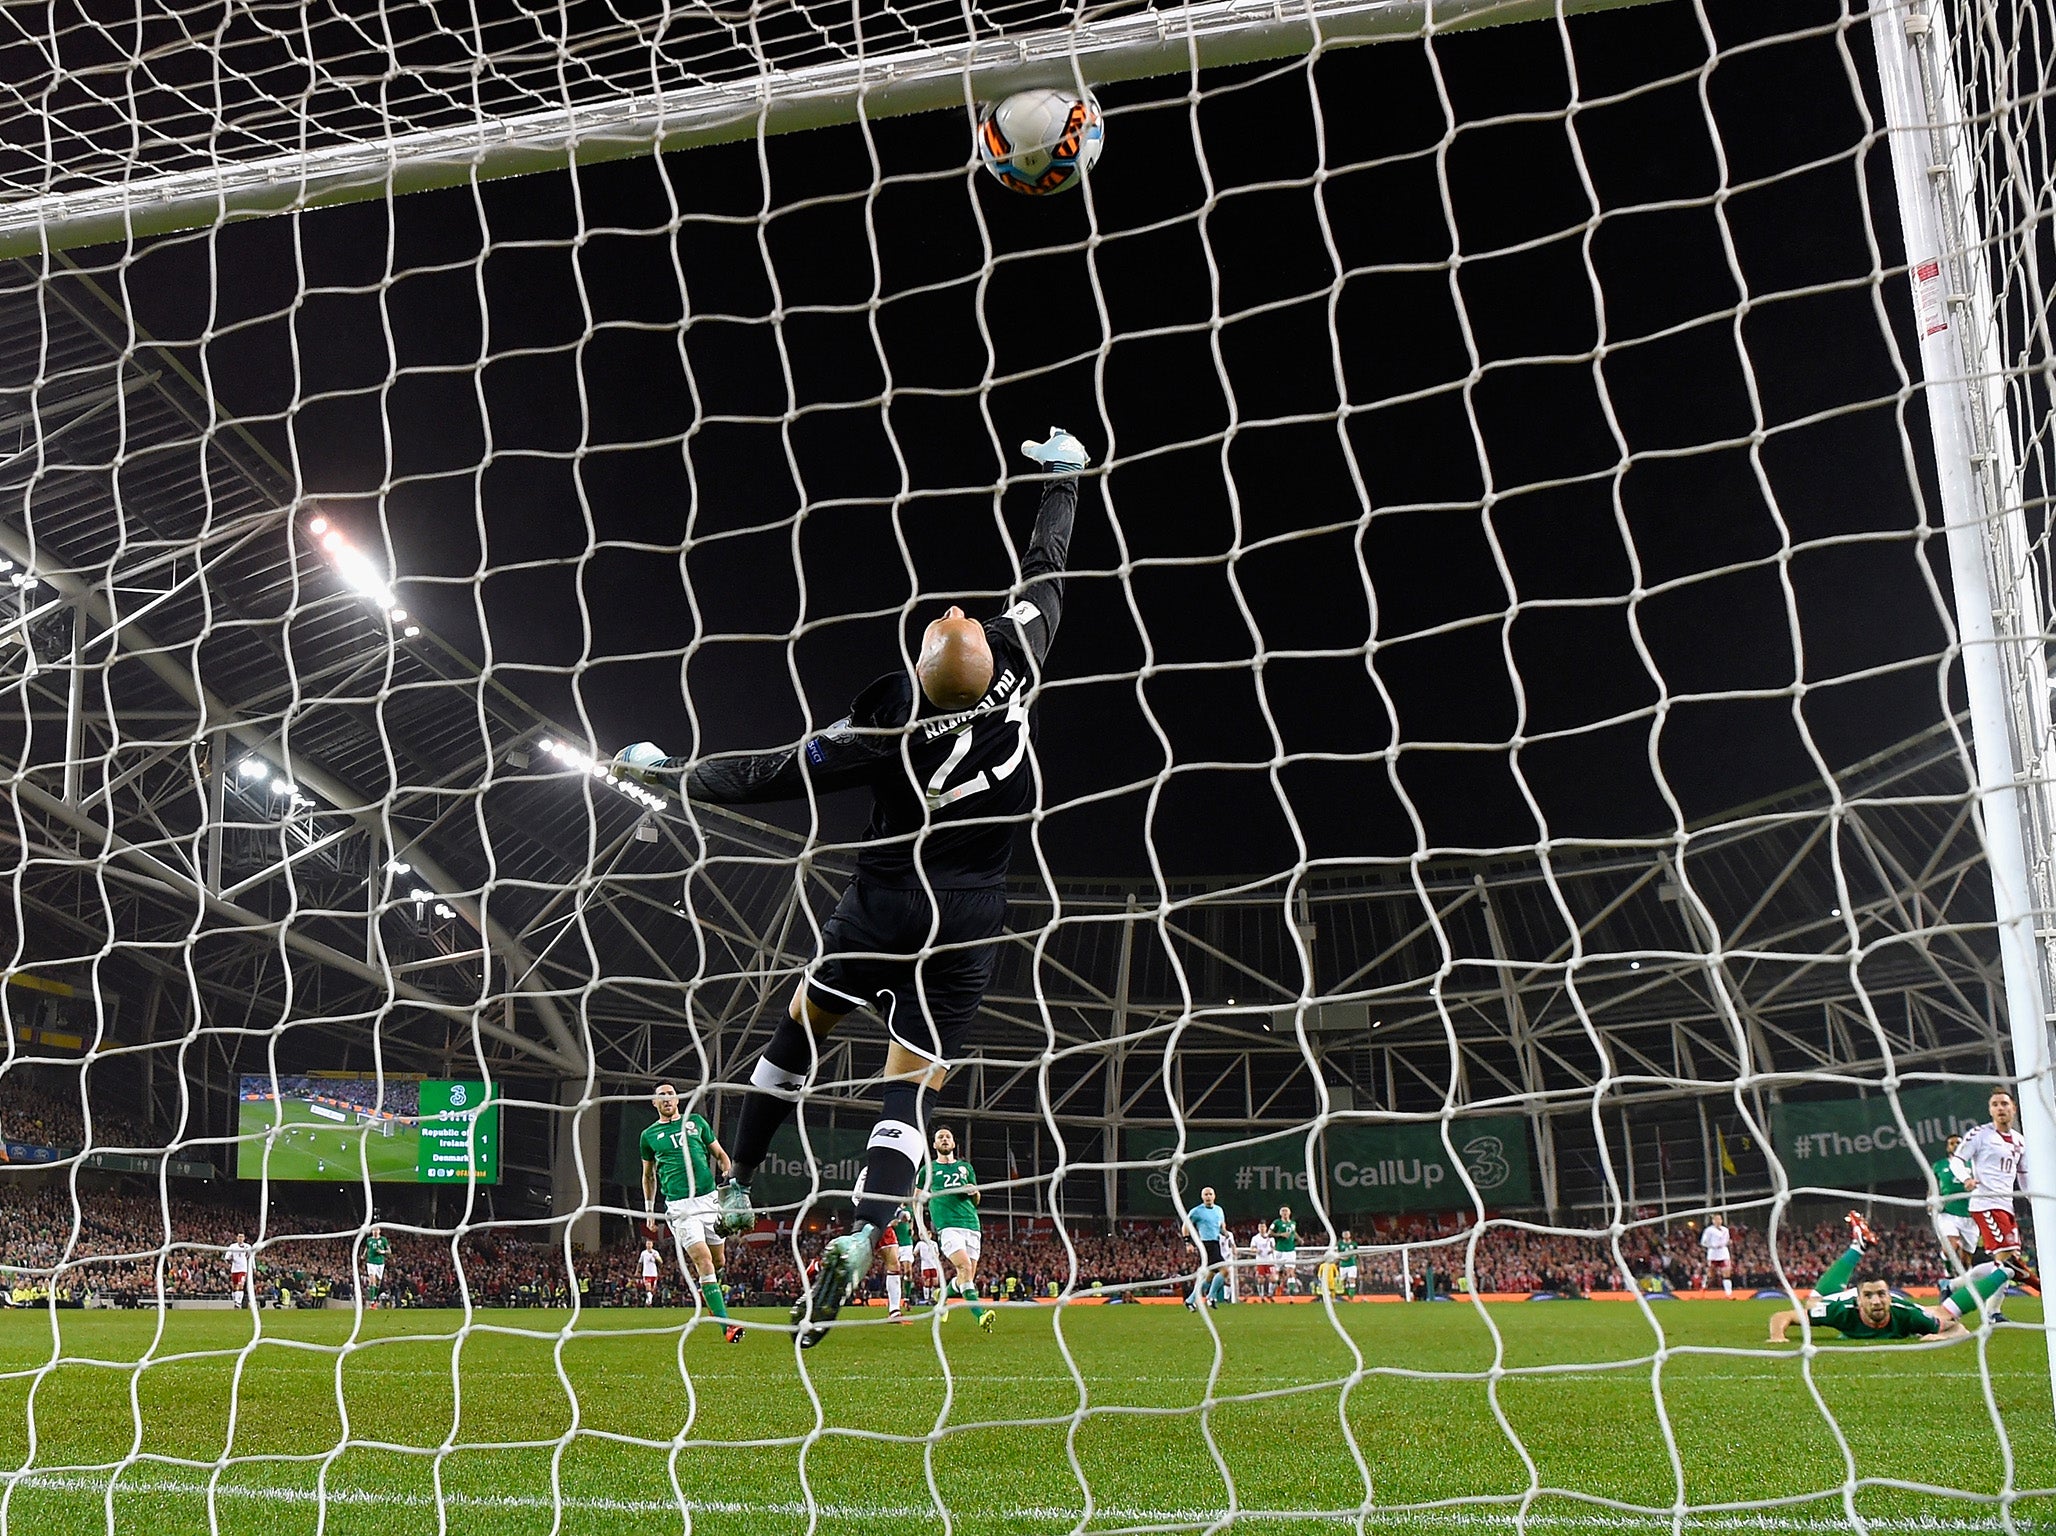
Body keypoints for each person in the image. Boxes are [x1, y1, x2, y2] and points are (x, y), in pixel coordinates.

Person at [614, 426, 1090, 1345]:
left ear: (920, 671)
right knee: (911, 1088)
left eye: (945, 625)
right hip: (967, 920)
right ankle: (867, 1233)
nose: (956, 613)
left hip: (882, 901)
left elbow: (770, 775)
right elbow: (1047, 572)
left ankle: (741, 1180)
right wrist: (1065, 480)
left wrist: (667, 772)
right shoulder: (1019, 660)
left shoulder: (885, 729)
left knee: (803, 1021)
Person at [1767, 1212, 2010, 1342]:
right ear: (1860, 1300)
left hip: (1903, 1308)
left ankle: (2005, 1270)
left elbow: (1959, 1329)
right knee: (1813, 1305)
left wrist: (1938, 1336)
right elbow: (1783, 1315)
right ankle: (1858, 1246)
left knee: (1941, 1314)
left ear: (1888, 1297)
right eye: (1870, 1297)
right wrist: (1778, 1337)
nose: (1876, 1301)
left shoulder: (1903, 1312)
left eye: (1881, 1295)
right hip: (1847, 1300)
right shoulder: (1841, 1312)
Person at [639, 1082, 742, 1344]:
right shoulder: (648, 1136)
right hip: (680, 1207)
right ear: (654, 1102)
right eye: (660, 1095)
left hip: (709, 1201)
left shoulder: (696, 1122)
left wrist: (727, 1174)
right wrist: (650, 1210)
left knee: (719, 1262)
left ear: (678, 1099)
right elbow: (648, 1176)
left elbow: (720, 1154)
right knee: (703, 1259)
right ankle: (726, 1326)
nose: (666, 1099)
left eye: (670, 1094)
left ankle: (707, 1292)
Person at [1956, 1090, 2037, 1287]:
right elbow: (1957, 1161)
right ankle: (1993, 1312)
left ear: (2014, 1108)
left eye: (2004, 1104)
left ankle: (1952, 1286)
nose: (2000, 1108)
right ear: (1990, 1111)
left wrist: (2032, 1200)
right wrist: (1966, 1178)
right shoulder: (1980, 1134)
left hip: (2006, 1205)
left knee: (2006, 1263)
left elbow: (2023, 1175)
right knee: (2007, 1261)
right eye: (1995, 1105)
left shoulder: (2020, 1141)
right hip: (1985, 1203)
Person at [918, 1126, 992, 1334]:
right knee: (965, 1269)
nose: (944, 1139)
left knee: (965, 1277)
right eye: (940, 1137)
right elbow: (917, 1201)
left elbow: (976, 1199)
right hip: (948, 1227)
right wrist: (921, 1227)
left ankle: (943, 1295)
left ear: (953, 1143)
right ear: (934, 1144)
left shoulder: (966, 1168)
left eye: (947, 1137)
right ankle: (980, 1315)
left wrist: (974, 1192)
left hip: (972, 1225)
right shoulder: (928, 1170)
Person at [1932, 1133, 1978, 1271]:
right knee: (1950, 1248)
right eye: (1952, 1143)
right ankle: (1947, 1272)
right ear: (1948, 1148)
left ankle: (1967, 1284)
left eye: (1958, 1142)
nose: (1955, 1145)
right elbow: (1932, 1187)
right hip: (1948, 1212)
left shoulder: (1974, 1164)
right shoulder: (1939, 1166)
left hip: (1970, 1214)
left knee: (1966, 1261)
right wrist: (1931, 1202)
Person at [1184, 1186, 1228, 1311]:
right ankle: (1210, 1296)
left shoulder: (1219, 1210)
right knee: (1225, 1271)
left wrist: (1225, 1233)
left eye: (1210, 1194)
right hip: (1206, 1244)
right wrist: (1187, 1242)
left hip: (1216, 1243)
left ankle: (1190, 1300)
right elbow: (1185, 1226)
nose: (1208, 1196)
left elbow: (1221, 1226)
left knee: (1209, 1277)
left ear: (1214, 1196)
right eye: (1206, 1194)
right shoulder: (1197, 1211)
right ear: (1202, 1197)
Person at [879, 1205, 916, 1322]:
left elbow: (911, 1219)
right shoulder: (891, 1203)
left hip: (906, 1243)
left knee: (905, 1270)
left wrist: (911, 1227)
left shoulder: (909, 1207)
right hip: (883, 1231)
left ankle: (903, 1301)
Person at [1699, 1214, 1733, 1297]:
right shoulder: (1709, 1230)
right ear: (1713, 1221)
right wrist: (1712, 1245)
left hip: (1724, 1252)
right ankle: (1703, 1289)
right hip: (1713, 1253)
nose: (1718, 1221)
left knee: (1726, 1273)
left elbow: (1727, 1240)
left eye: (1720, 1219)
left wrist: (1728, 1242)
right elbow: (1703, 1242)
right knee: (1711, 1274)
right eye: (1716, 1219)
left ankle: (1729, 1294)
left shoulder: (1725, 1230)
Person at [1271, 1207, 1300, 1295]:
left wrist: (1299, 1238)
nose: (1285, 1213)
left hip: (1290, 1250)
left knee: (1290, 1270)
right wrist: (1280, 1235)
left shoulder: (1293, 1223)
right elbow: (1269, 1234)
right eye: (1283, 1211)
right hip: (1279, 1250)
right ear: (1280, 1214)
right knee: (1278, 1271)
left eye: (1286, 1211)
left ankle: (1291, 1292)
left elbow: (1293, 1232)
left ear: (1289, 1213)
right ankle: (1277, 1287)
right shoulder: (1277, 1223)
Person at [364, 1225, 389, 1308]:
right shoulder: (369, 1240)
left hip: (380, 1263)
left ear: (379, 1231)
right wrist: (363, 1255)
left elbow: (389, 1251)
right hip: (370, 1262)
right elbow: (367, 1248)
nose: (375, 1231)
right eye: (373, 1230)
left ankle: (374, 1297)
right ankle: (372, 1302)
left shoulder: (383, 1240)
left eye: (376, 1230)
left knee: (378, 1283)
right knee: (372, 1280)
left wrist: (382, 1251)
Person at [1249, 1225, 1276, 1301]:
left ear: (1266, 1228)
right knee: (1261, 1279)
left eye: (1263, 1227)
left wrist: (1271, 1250)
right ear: (1258, 1228)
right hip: (1260, 1261)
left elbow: (1274, 1247)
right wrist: (1256, 1250)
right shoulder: (1255, 1238)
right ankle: (1261, 1296)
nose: (1262, 1229)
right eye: (1260, 1227)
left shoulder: (1270, 1237)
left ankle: (1270, 1294)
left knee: (1273, 1279)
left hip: (1270, 1260)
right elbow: (1252, 1248)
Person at [226, 1233, 253, 1308]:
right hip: (234, 1269)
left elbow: (249, 1256)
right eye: (239, 1237)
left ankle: (238, 1303)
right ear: (237, 1238)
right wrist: (229, 1258)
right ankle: (235, 1300)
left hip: (243, 1269)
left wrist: (252, 1267)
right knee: (235, 1287)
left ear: (244, 1238)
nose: (240, 1238)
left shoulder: (248, 1246)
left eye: (242, 1237)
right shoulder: (232, 1246)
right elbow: (227, 1256)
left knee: (241, 1285)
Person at [1336, 1230, 1360, 1297]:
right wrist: (1342, 1258)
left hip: (1352, 1264)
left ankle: (1351, 1296)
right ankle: (1344, 1294)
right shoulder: (1340, 1244)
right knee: (1342, 1281)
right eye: (1345, 1234)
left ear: (1350, 1235)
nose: (1346, 1235)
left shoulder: (1353, 1244)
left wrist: (1354, 1258)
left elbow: (1357, 1254)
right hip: (1343, 1265)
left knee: (1352, 1279)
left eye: (1347, 1234)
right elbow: (1337, 1254)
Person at [639, 1239, 662, 1306]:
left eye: (650, 1244)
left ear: (652, 1245)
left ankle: (648, 1301)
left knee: (652, 1290)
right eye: (647, 1244)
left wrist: (657, 1258)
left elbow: (661, 1261)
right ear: (646, 1245)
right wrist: (637, 1271)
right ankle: (649, 1302)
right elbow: (640, 1263)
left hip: (654, 1274)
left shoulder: (655, 1252)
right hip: (646, 1274)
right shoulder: (643, 1253)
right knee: (648, 1288)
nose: (649, 1245)